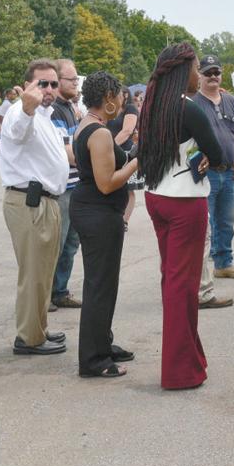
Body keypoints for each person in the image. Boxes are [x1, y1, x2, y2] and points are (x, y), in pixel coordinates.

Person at [138, 43, 226, 390]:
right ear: (183, 71)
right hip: (184, 201)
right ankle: (178, 371)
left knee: (172, 281)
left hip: (157, 196)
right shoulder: (189, 109)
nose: (198, 73)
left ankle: (189, 360)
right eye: (194, 67)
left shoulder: (152, 105)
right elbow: (220, 152)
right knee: (182, 287)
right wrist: (205, 154)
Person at [0, 59, 71, 356]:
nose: (50, 89)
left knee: (43, 272)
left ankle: (37, 329)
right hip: (30, 202)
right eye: (43, 83)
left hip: (46, 202)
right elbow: (17, 130)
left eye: (54, 83)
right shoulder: (22, 112)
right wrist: (27, 106)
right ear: (29, 85)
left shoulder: (46, 115)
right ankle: (28, 338)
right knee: (33, 273)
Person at [73, 72, 139, 378]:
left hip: (93, 211)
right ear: (109, 98)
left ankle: (103, 343)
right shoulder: (98, 133)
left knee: (103, 283)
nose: (124, 100)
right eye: (120, 96)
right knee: (100, 285)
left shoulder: (88, 126)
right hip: (98, 212)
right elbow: (107, 183)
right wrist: (139, 161)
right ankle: (94, 359)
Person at [193, 54, 234, 280]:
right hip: (205, 173)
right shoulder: (193, 103)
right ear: (199, 75)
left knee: (226, 221)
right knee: (204, 224)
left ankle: (224, 263)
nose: (213, 77)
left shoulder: (231, 101)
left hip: (229, 171)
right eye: (207, 73)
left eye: (216, 72)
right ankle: (201, 271)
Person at [49, 59, 84, 311]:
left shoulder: (71, 107)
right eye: (72, 80)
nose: (76, 83)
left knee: (71, 243)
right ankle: (46, 294)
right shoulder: (55, 111)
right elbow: (68, 152)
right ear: (58, 81)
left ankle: (60, 291)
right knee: (56, 244)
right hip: (61, 189)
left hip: (76, 186)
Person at [108, 86, 141, 228]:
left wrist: (109, 145)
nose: (122, 97)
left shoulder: (130, 109)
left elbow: (127, 130)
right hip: (110, 151)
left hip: (126, 151)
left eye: (123, 94)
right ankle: (114, 217)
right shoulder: (111, 109)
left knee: (128, 188)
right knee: (112, 184)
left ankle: (124, 221)